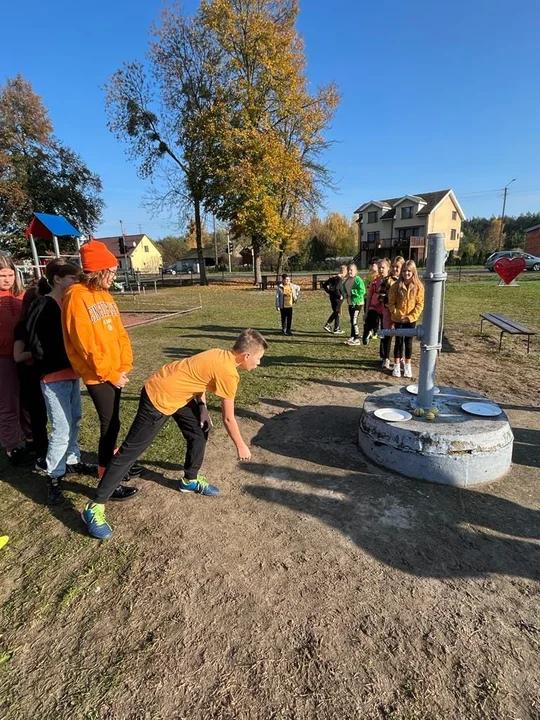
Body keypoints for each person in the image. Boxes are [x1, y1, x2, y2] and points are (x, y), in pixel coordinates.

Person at [81, 329, 268, 539]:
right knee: (130, 452)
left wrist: (202, 407)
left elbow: (199, 377)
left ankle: (189, 480)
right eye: (259, 359)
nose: (258, 363)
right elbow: (228, 418)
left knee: (199, 431)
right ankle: (94, 507)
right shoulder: (229, 373)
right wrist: (241, 445)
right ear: (247, 356)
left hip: (178, 393)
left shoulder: (219, 354)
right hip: (158, 397)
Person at [62, 239, 140, 500]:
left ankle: (116, 466)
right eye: (112, 271)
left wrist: (124, 364)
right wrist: (110, 373)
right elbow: (86, 344)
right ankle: (108, 476)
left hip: (114, 371)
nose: (115, 276)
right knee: (110, 424)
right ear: (99, 270)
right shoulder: (76, 297)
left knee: (115, 422)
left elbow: (119, 332)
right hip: (98, 374)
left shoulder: (104, 295)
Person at [26, 260, 97, 504]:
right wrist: (56, 361)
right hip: (54, 376)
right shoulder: (43, 305)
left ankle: (72, 461)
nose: (76, 285)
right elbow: (35, 342)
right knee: (62, 428)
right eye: (72, 280)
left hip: (71, 374)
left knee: (75, 418)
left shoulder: (68, 304)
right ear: (57, 279)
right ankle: (54, 476)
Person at [0, 253, 32, 463]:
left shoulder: (23, 295)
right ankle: (12, 446)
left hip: (24, 357)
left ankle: (31, 437)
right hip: (3, 358)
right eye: (2, 275)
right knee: (8, 402)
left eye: (10, 274)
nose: (7, 279)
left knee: (28, 400)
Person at [13, 286, 49, 467]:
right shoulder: (22, 326)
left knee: (45, 415)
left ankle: (44, 447)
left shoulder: (43, 323)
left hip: (43, 375)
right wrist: (37, 351)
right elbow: (18, 355)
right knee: (37, 416)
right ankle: (40, 452)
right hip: (29, 377)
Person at [388, 260, 425, 378]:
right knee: (398, 342)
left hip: (411, 320)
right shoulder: (395, 286)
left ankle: (408, 366)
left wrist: (410, 317)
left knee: (408, 342)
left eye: (409, 271)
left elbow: (420, 304)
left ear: (413, 272)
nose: (406, 273)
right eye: (404, 271)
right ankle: (397, 365)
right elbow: (391, 303)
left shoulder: (419, 286)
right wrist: (399, 315)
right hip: (398, 319)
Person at [378, 256, 404, 369]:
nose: (394, 269)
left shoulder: (405, 281)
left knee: (400, 336)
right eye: (393, 266)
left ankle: (399, 358)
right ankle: (386, 358)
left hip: (401, 312)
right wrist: (390, 305)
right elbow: (380, 296)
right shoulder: (386, 280)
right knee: (387, 335)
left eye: (397, 267)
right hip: (388, 311)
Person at [362, 258, 389, 346]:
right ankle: (367, 333)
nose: (381, 270)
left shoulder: (391, 281)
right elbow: (369, 295)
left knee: (384, 332)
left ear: (388, 268)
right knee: (369, 320)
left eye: (383, 268)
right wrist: (366, 310)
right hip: (374, 306)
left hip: (385, 308)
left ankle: (384, 356)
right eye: (379, 267)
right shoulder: (375, 280)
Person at [341, 263, 366, 346]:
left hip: (358, 303)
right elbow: (343, 288)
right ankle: (352, 336)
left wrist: (352, 292)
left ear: (356, 271)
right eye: (348, 270)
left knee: (354, 320)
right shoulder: (347, 280)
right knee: (351, 320)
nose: (350, 271)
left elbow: (362, 291)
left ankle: (356, 338)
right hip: (350, 303)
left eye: (351, 270)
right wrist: (344, 294)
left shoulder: (358, 280)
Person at [322, 265, 347, 335]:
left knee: (336, 312)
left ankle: (329, 325)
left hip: (332, 298)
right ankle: (336, 328)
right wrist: (340, 296)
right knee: (337, 312)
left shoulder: (333, 278)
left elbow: (324, 285)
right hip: (337, 299)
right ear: (343, 271)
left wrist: (329, 292)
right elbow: (337, 288)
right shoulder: (339, 279)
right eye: (346, 272)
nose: (346, 274)